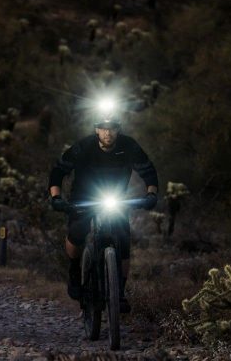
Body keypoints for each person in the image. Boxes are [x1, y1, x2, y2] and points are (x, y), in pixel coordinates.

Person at [48, 112, 158, 312]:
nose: (108, 133)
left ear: (118, 129)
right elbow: (58, 171)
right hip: (83, 198)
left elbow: (148, 171)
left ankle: (119, 293)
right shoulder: (83, 147)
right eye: (104, 128)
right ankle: (74, 270)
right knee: (77, 232)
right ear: (97, 130)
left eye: (112, 128)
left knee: (123, 242)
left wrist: (151, 194)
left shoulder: (129, 146)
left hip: (116, 199)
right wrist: (56, 198)